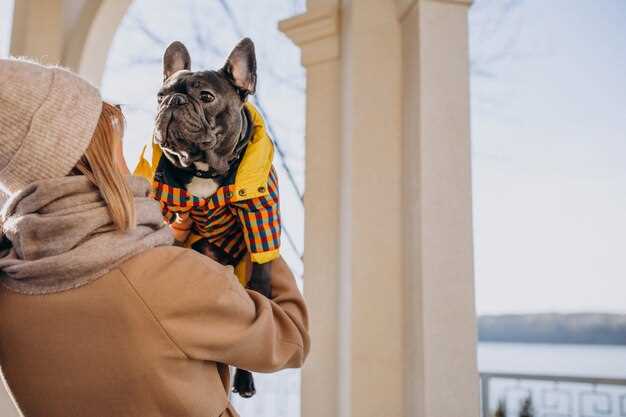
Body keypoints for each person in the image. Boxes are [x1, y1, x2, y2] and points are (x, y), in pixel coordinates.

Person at [0, 58, 309, 417]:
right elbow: (291, 339)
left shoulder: (9, 290)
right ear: (98, 154)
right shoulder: (170, 279)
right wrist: (256, 237)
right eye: (115, 131)